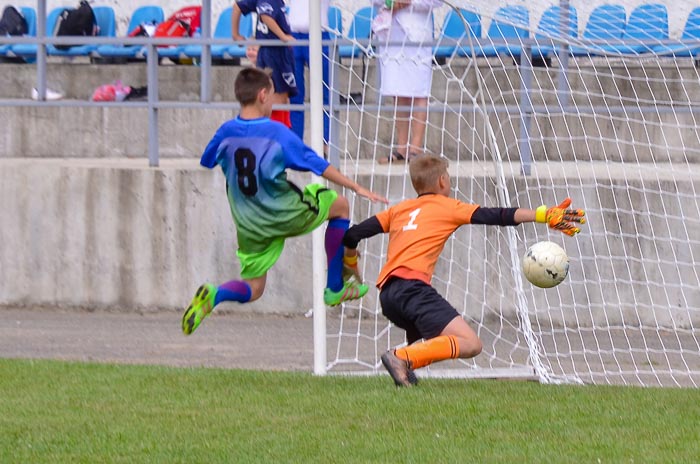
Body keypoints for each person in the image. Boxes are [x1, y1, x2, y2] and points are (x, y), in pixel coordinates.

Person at [342, 155, 586, 386]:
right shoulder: (448, 206)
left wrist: (351, 264)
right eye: (447, 175)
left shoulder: (399, 210)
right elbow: (498, 215)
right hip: (412, 290)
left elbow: (352, 234)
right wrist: (542, 214)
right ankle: (401, 357)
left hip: (388, 294)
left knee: (426, 337)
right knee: (470, 343)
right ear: (442, 181)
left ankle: (405, 364)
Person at [182, 67, 388, 336]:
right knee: (339, 205)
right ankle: (335, 287)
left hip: (248, 225)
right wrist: (356, 186)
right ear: (263, 95)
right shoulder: (276, 133)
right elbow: (317, 164)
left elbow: (207, 159)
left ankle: (215, 295)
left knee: (254, 288)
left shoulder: (226, 132)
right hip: (283, 212)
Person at [372, 0, 442, 164]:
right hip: (392, 34)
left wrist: (409, 2)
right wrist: (390, 2)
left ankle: (415, 150)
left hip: (417, 35)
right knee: (398, 92)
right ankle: (401, 149)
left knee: (419, 91)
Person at [233, 0, 296, 128]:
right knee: (275, 96)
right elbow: (266, 16)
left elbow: (237, 7)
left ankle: (283, 130)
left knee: (283, 95)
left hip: (278, 52)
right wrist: (283, 37)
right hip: (274, 53)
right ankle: (275, 133)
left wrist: (236, 35)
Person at [288, 0, 331, 149]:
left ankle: (325, 144)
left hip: (319, 34)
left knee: (324, 93)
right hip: (294, 35)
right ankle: (295, 144)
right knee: (294, 94)